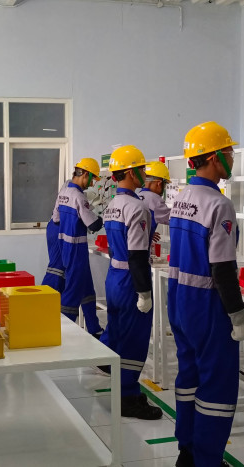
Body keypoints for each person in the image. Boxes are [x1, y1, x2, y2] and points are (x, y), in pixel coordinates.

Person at [168, 121, 244, 467]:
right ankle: (207, 460)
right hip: (208, 307)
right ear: (214, 158)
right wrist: (238, 314)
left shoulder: (183, 198)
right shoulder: (219, 205)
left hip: (179, 303)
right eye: (229, 152)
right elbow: (222, 269)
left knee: (189, 377)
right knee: (216, 386)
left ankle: (187, 450)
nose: (232, 158)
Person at [100, 145, 162, 420]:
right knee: (134, 340)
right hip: (130, 280)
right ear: (129, 172)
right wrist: (144, 292)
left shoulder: (113, 204)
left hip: (114, 276)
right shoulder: (137, 207)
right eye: (140, 169)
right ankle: (127, 397)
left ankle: (122, 388)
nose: (144, 173)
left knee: (118, 333)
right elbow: (137, 255)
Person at [54, 158, 104, 337]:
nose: (91, 184)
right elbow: (93, 225)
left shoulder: (64, 192)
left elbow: (56, 219)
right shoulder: (79, 196)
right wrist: (103, 216)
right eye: (91, 179)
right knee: (73, 292)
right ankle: (61, 332)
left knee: (87, 290)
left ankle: (94, 329)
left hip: (65, 247)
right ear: (84, 174)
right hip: (77, 250)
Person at [139, 161, 172, 243]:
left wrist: (147, 232)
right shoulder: (155, 200)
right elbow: (173, 219)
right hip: (141, 249)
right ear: (159, 183)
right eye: (164, 185)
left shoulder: (138, 195)